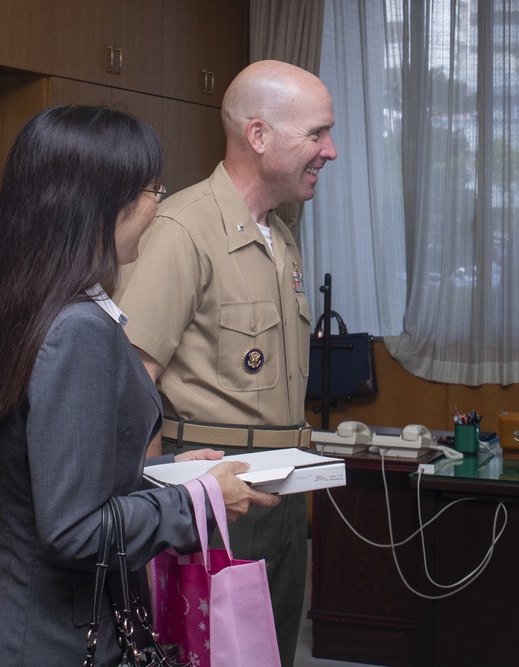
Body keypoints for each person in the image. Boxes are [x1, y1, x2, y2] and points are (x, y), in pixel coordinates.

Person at [0, 105, 281, 666]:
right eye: (152, 189)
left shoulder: (28, 306)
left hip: (29, 629)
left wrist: (169, 478)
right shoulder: (77, 329)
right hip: (58, 641)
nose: (158, 206)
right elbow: (73, 531)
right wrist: (198, 502)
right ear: (102, 203)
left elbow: (68, 476)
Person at [115, 60, 337, 667]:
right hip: (215, 501)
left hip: (282, 496)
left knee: (272, 653)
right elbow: (129, 383)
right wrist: (149, 507)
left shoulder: (281, 236)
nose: (331, 150)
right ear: (259, 136)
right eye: (316, 134)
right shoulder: (182, 231)